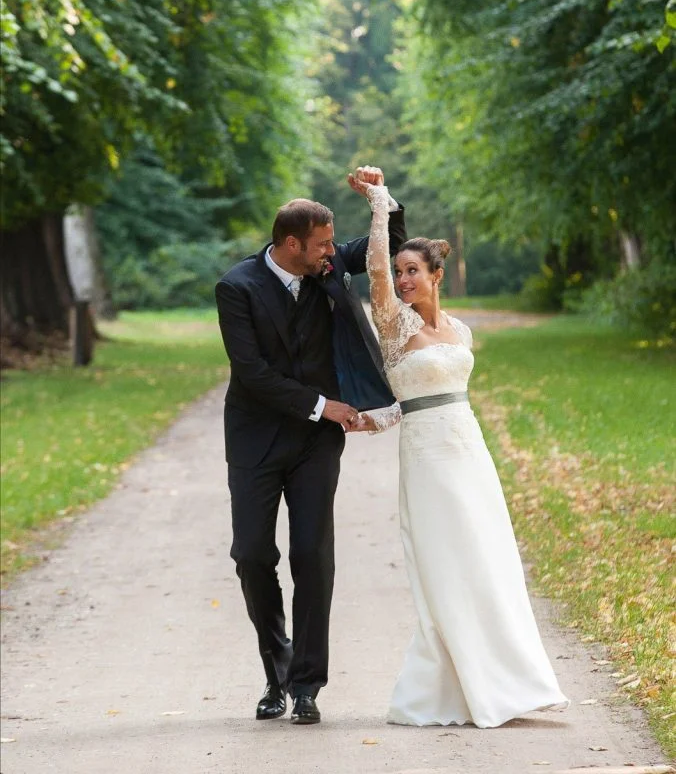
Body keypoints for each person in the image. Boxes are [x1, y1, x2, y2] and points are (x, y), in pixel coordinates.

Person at [347, 166, 569, 728]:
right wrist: (380, 206)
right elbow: (373, 269)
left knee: (489, 560)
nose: (402, 280)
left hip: (471, 455)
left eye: (413, 271)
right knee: (447, 565)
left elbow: (434, 395)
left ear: (437, 274)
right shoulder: (393, 327)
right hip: (429, 464)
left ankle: (516, 681)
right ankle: (457, 683)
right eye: (399, 272)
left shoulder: (460, 332)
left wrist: (380, 417)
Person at [215, 179, 406, 725]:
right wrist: (326, 406)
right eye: (323, 244)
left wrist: (383, 201)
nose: (331, 252)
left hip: (316, 446)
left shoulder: (325, 268)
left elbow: (381, 249)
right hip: (256, 439)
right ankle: (276, 669)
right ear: (293, 243)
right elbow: (252, 375)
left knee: (312, 555)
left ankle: (306, 685)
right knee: (252, 554)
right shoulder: (237, 288)